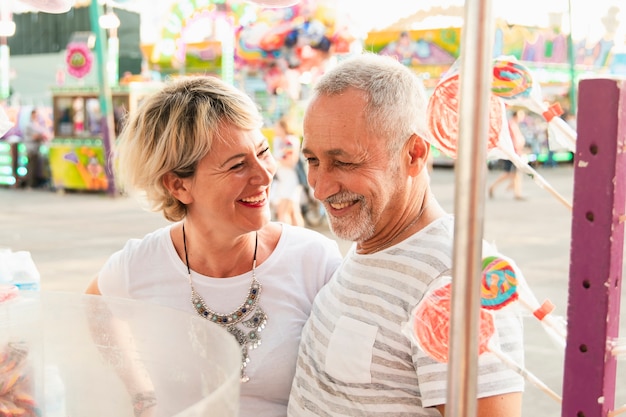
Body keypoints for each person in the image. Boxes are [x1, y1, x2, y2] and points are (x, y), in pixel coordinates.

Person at [84, 75, 343, 417]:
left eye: (262, 151)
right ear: (178, 185)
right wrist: (142, 395)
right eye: (237, 165)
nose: (265, 176)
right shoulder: (139, 265)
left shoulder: (314, 260)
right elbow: (93, 308)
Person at [288, 53, 525, 416]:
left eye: (345, 162)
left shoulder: (457, 282)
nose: (319, 188)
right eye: (313, 160)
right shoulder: (373, 242)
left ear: (414, 154)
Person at [271, 116, 305, 227]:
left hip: (288, 181)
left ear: (283, 127)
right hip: (286, 180)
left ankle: (289, 238)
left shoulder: (289, 141)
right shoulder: (282, 141)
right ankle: (301, 239)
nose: (275, 129)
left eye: (277, 126)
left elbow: (291, 162)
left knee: (283, 212)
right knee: (294, 212)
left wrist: (276, 161)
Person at [488, 109, 527, 200]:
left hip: (514, 152)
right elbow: (514, 140)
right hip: (512, 153)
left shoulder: (514, 125)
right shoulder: (511, 125)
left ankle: (517, 192)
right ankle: (493, 187)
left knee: (515, 174)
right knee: (509, 173)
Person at [22, 108, 49, 188]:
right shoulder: (29, 125)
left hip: (36, 148)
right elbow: (32, 137)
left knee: (35, 167)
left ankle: (32, 183)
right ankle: (30, 184)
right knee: (31, 167)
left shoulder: (37, 124)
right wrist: (39, 136)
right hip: (31, 148)